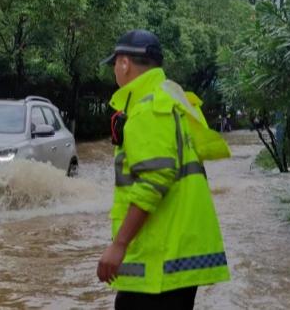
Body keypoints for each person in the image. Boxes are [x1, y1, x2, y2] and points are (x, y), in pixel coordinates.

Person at [97, 30, 231, 309]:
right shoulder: (172, 99)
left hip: (158, 259)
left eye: (115, 64)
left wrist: (119, 244)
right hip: (172, 255)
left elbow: (154, 179)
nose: (114, 71)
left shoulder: (148, 108)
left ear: (124, 64)